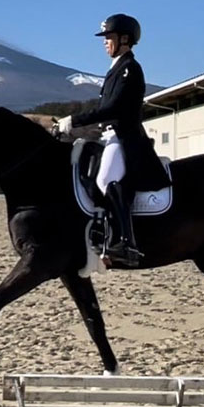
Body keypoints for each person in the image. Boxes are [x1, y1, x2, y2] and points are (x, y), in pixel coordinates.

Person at [57, 13, 170, 267]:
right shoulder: (116, 69)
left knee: (106, 178)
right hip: (110, 135)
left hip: (125, 137)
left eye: (109, 37)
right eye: (106, 38)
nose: (105, 42)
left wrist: (74, 120)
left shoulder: (130, 68)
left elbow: (114, 108)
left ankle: (126, 242)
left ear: (125, 39)